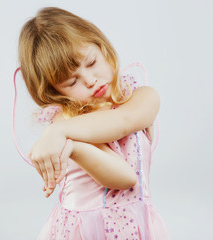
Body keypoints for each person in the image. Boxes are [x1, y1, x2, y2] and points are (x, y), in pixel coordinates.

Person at [16, 7, 169, 240]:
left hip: (136, 226)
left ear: (101, 46)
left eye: (91, 62)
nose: (90, 81)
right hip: (86, 231)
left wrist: (59, 133)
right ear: (54, 91)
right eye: (71, 81)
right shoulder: (68, 118)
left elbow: (122, 121)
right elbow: (124, 177)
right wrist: (73, 145)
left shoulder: (142, 98)